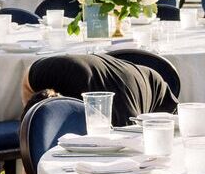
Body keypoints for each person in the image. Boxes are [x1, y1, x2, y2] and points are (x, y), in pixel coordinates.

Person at [22, 54, 178, 126]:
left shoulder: (119, 119)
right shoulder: (45, 74)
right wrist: (27, 130)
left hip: (154, 90)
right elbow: (26, 81)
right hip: (116, 72)